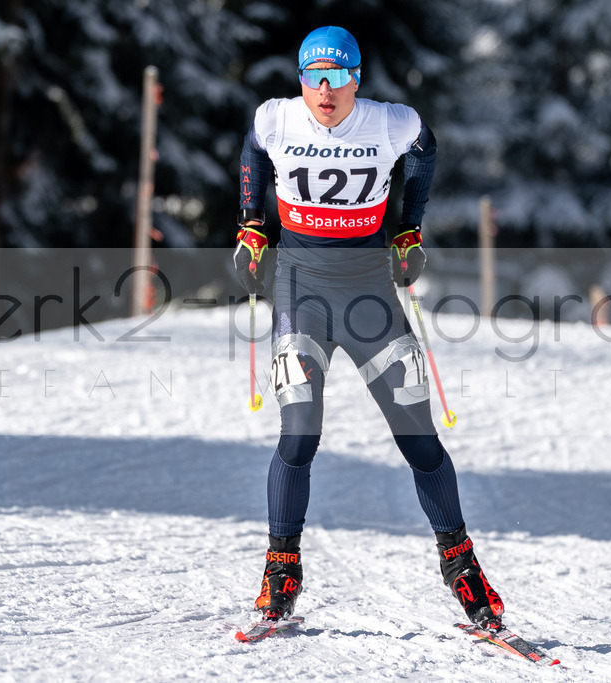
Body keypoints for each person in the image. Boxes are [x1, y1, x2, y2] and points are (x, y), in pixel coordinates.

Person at [233, 26, 504, 628]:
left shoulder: (390, 123)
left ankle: (462, 567)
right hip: (301, 294)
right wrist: (252, 227)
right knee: (298, 433)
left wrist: (410, 227)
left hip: (370, 301)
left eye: (338, 78)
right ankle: (281, 568)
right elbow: (253, 151)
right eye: (313, 77)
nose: (325, 91)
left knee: (419, 438)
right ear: (301, 79)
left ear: (357, 79)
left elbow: (425, 152)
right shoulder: (277, 119)